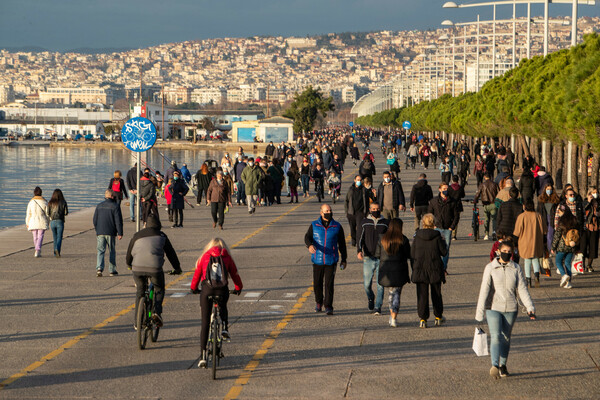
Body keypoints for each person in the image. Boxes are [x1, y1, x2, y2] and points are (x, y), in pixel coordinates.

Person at [475, 239, 536, 379]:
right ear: (498, 252)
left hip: (511, 308)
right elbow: (484, 290)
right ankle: (494, 365)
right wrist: (479, 313)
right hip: (493, 307)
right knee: (496, 336)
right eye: (504, 252)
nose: (507, 254)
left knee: (506, 338)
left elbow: (522, 289)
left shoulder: (516, 268)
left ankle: (503, 365)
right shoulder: (490, 268)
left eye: (509, 252)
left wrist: (530, 307)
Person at [191, 238, 243, 368]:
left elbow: (197, 274)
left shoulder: (204, 257)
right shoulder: (226, 257)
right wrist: (238, 288)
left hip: (207, 290)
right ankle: (224, 327)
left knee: (205, 323)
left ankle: (203, 356)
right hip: (222, 290)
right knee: (223, 306)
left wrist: (193, 288)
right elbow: (235, 274)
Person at [126, 214, 181, 330]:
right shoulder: (162, 236)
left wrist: (129, 265)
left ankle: (137, 322)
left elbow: (129, 253)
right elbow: (171, 254)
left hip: (137, 268)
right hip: (155, 269)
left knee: (140, 292)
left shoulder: (137, 235)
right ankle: (157, 312)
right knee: (159, 289)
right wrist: (177, 268)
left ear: (145, 224)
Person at [305, 204, 348, 315]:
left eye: (330, 210)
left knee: (329, 284)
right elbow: (307, 237)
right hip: (317, 259)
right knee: (317, 284)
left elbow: (342, 244)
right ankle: (319, 302)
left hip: (331, 259)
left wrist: (344, 259)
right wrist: (309, 245)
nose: (328, 212)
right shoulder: (314, 225)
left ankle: (328, 305)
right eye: (326, 211)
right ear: (321, 212)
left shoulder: (337, 226)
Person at [411, 213, 447, 328]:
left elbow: (412, 254)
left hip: (420, 268)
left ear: (423, 223)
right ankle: (438, 316)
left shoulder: (417, 236)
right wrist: (443, 241)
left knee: (422, 295)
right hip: (435, 268)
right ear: (433, 223)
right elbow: (444, 252)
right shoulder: (437, 235)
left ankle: (423, 318)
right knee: (436, 293)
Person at [378, 218, 411, 327]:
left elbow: (377, 254)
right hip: (399, 271)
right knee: (396, 294)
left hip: (386, 271)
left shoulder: (383, 239)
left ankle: (392, 314)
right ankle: (393, 316)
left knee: (391, 293)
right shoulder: (403, 239)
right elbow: (409, 255)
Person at [357, 203, 389, 315]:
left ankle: (378, 306)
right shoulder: (365, 222)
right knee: (367, 284)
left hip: (381, 257)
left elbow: (389, 239)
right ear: (370, 210)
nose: (376, 211)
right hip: (368, 257)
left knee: (380, 284)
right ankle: (371, 298)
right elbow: (360, 237)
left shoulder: (385, 223)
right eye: (373, 209)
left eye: (378, 209)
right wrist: (359, 250)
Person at [513, 200, 547, 288]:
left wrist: (514, 242)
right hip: (536, 241)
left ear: (524, 206)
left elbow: (517, 232)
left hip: (525, 242)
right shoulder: (538, 215)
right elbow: (544, 230)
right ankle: (536, 276)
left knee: (527, 260)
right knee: (535, 258)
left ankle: (528, 279)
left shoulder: (521, 216)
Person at [427, 182, 459, 271]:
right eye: (444, 189)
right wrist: (432, 225)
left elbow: (456, 215)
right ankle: (437, 266)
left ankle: (443, 268)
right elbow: (429, 214)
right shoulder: (434, 201)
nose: (446, 190)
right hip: (436, 228)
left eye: (447, 189)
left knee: (446, 250)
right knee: (436, 249)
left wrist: (452, 227)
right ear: (440, 189)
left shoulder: (452, 201)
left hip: (447, 229)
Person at [93, 190, 123, 277]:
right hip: (111, 232)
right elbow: (118, 221)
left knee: (100, 250)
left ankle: (99, 268)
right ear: (112, 196)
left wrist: (97, 229)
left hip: (100, 232)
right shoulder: (115, 206)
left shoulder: (99, 206)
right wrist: (120, 233)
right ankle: (112, 270)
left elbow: (95, 220)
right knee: (112, 251)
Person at [551, 205, 579, 289]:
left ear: (563, 212)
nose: (558, 214)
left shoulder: (562, 222)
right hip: (571, 246)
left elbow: (557, 236)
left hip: (562, 247)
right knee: (567, 263)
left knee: (558, 262)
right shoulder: (574, 220)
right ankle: (568, 283)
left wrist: (553, 247)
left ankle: (564, 275)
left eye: (559, 212)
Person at [345, 175, 371, 247]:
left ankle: (360, 240)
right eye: (357, 179)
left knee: (360, 228)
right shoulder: (351, 190)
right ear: (354, 180)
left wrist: (367, 212)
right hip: (351, 212)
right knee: (352, 228)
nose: (359, 181)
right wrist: (347, 212)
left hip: (361, 212)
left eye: (360, 180)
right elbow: (346, 201)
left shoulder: (364, 190)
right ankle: (354, 240)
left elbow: (367, 201)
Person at [474, 173, 500, 241]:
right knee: (494, 219)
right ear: (490, 177)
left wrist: (475, 200)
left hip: (486, 204)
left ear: (484, 177)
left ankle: (486, 234)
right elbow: (498, 193)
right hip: (493, 203)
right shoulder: (494, 184)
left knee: (486, 219)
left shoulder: (482, 185)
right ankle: (494, 232)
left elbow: (478, 193)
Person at [26, 186, 49, 258]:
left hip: (32, 221)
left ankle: (36, 249)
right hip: (42, 220)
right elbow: (47, 214)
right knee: (40, 236)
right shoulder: (44, 202)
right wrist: (48, 222)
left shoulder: (31, 202)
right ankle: (38, 249)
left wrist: (27, 223)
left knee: (35, 236)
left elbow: (28, 213)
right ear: (41, 193)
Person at [46, 188, 68, 258]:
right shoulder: (63, 202)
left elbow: (48, 213)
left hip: (52, 222)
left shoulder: (50, 202)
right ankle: (57, 249)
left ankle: (55, 253)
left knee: (55, 237)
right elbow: (66, 212)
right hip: (60, 221)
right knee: (59, 237)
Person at [582, 187, 600, 272]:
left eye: (596, 192)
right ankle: (582, 265)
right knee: (584, 246)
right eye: (593, 192)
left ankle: (589, 265)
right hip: (586, 226)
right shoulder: (585, 201)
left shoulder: (598, 202)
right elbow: (583, 210)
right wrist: (588, 202)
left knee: (593, 246)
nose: (595, 194)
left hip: (595, 226)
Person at [448, 175, 465, 240]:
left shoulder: (449, 188)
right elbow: (463, 195)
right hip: (458, 205)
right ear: (458, 180)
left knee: (449, 219)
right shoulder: (460, 188)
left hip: (450, 205)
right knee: (456, 219)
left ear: (452, 180)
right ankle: (454, 235)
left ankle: (449, 232)